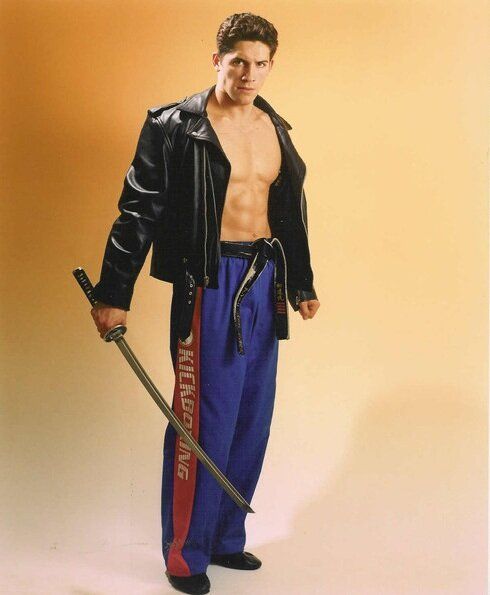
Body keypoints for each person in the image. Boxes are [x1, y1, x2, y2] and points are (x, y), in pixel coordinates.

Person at [90, 12, 320, 595]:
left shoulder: (275, 127)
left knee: (251, 417)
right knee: (202, 420)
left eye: (260, 64)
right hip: (209, 281)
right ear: (217, 59)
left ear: (271, 66)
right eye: (238, 61)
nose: (249, 74)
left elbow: (289, 209)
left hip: (265, 279)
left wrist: (301, 283)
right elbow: (137, 210)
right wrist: (114, 293)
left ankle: (224, 538)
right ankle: (186, 555)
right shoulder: (174, 125)